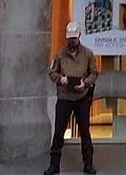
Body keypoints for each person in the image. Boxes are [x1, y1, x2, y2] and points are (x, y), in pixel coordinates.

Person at [44, 21, 98, 175]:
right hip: (64, 97)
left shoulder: (88, 54)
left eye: (74, 38)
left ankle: (88, 164)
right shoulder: (60, 54)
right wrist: (61, 79)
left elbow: (94, 73)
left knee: (85, 132)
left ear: (79, 36)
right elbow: (52, 72)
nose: (72, 41)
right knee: (59, 131)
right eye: (70, 38)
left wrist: (85, 83)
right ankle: (54, 165)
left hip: (81, 97)